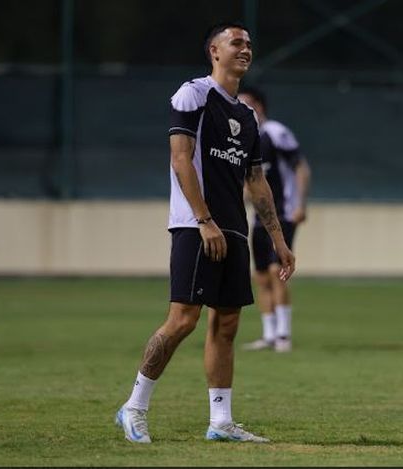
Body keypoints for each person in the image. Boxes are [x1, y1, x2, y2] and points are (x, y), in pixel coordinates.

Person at [114, 22, 295, 444]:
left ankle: (220, 422)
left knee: (227, 323)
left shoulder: (248, 116)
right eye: (237, 42)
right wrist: (203, 219)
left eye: (249, 43)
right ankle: (134, 407)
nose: (245, 49)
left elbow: (256, 182)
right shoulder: (194, 94)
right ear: (215, 50)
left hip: (233, 229)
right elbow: (181, 160)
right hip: (196, 226)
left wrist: (278, 239)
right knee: (183, 319)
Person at [239, 87, 310, 353]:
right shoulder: (246, 140)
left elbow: (301, 168)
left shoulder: (276, 132)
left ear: (260, 106)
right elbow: (252, 183)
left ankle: (283, 335)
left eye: (248, 104)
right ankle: (268, 335)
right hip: (260, 218)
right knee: (260, 276)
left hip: (284, 213)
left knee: (275, 272)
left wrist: (301, 205)